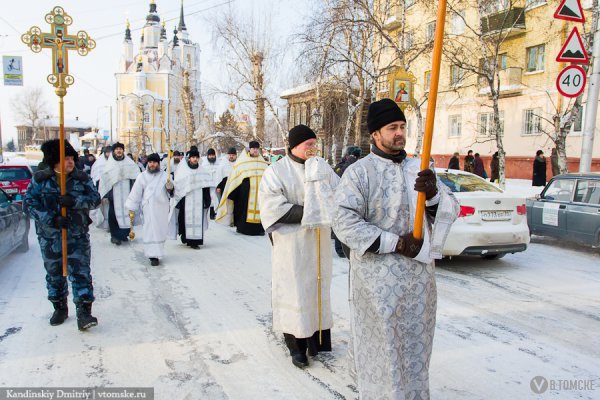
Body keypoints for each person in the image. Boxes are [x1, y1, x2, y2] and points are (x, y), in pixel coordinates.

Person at [333, 98, 459, 399]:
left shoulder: (421, 167)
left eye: (402, 126)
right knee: (383, 351)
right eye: (392, 128)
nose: (400, 133)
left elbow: (450, 209)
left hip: (419, 285)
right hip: (378, 285)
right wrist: (397, 243)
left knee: (416, 350)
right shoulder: (360, 172)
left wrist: (432, 196)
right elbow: (344, 222)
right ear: (375, 134)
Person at [259, 124, 340, 368]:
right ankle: (296, 347)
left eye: (315, 144)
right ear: (295, 145)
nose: (314, 149)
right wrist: (312, 212)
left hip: (318, 242)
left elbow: (340, 192)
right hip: (292, 244)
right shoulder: (276, 171)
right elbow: (272, 206)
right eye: (309, 145)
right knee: (295, 292)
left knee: (314, 289)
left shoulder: (322, 168)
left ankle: (316, 342)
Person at [24, 139, 101, 330]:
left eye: (71, 158)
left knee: (81, 273)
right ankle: (59, 307)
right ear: (55, 161)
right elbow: (28, 205)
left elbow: (95, 200)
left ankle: (84, 313)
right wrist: (51, 218)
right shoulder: (40, 180)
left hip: (77, 236)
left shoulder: (81, 179)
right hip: (50, 237)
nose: (70, 162)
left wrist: (74, 201)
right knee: (54, 274)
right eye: (65, 158)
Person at [125, 153, 174, 266]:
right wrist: (132, 206)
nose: (152, 164)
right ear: (147, 163)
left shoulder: (165, 176)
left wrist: (170, 188)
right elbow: (136, 192)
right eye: (150, 162)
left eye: (155, 162)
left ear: (158, 163)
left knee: (160, 231)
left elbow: (172, 193)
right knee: (149, 230)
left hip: (161, 209)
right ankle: (152, 255)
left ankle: (158, 252)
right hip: (147, 208)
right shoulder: (142, 176)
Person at [216, 141, 268, 236]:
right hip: (245, 193)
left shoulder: (262, 162)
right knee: (243, 209)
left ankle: (259, 229)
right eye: (253, 148)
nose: (255, 150)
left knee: (260, 208)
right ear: (250, 149)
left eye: (257, 148)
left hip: (259, 193)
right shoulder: (242, 161)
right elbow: (235, 177)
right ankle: (243, 228)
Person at [169, 148, 212, 249]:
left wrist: (207, 199)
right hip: (186, 199)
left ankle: (195, 242)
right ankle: (185, 236)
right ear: (189, 158)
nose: (195, 159)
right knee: (184, 219)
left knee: (198, 219)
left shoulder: (203, 171)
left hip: (199, 200)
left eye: (196, 157)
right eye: (193, 157)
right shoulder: (183, 170)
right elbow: (178, 185)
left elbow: (206, 186)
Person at [98, 142, 141, 245]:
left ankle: (123, 234)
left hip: (127, 195)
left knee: (128, 214)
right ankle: (115, 236)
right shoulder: (110, 165)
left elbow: (136, 179)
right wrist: (107, 196)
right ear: (113, 151)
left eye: (120, 149)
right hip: (114, 197)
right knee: (113, 216)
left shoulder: (130, 163)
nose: (119, 151)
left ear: (123, 151)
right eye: (116, 149)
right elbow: (105, 181)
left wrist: (134, 192)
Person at [202, 148, 221, 220]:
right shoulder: (204, 164)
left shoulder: (219, 163)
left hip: (216, 185)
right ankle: (209, 214)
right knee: (209, 199)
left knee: (216, 199)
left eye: (213, 155)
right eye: (210, 155)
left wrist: (219, 185)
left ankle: (215, 213)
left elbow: (220, 174)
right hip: (208, 185)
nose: (211, 157)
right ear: (207, 156)